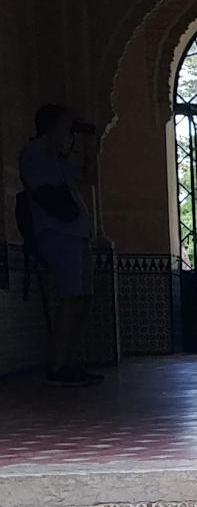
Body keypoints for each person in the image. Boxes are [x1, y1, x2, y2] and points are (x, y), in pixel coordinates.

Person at [19, 103, 102, 386]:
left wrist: (89, 149)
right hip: (56, 233)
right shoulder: (34, 154)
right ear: (51, 128)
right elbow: (40, 189)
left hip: (77, 235)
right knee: (70, 298)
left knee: (83, 299)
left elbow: (89, 179)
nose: (69, 133)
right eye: (66, 127)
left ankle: (70, 362)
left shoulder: (60, 161)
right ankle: (58, 366)